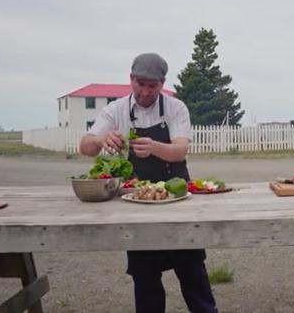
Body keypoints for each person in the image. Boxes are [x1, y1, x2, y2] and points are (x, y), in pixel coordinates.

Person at [79, 53, 218, 313]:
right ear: (131, 79)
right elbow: (85, 146)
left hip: (178, 199)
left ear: (162, 83)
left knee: (192, 272)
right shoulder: (115, 109)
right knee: (145, 278)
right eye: (139, 84)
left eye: (151, 86)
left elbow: (179, 151)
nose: (144, 92)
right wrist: (100, 141)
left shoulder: (176, 108)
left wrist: (154, 147)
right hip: (137, 201)